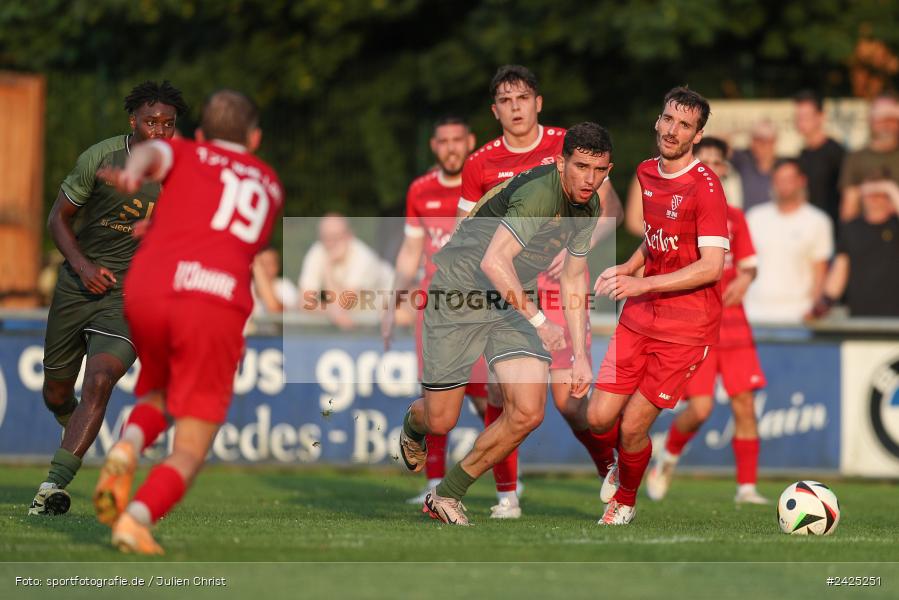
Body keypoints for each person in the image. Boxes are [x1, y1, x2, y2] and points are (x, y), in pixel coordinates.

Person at [92, 89, 283, 554]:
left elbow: (154, 154)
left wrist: (134, 171)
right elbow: (226, 234)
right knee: (191, 448)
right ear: (255, 138)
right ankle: (136, 519)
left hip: (151, 288)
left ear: (200, 134)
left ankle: (127, 444)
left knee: (159, 391)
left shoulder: (185, 152)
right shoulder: (270, 184)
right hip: (214, 302)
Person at [399, 122, 611, 526]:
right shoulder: (539, 193)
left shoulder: (590, 206)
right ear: (560, 163)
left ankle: (446, 495)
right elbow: (493, 261)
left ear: (609, 170)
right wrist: (540, 321)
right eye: (581, 167)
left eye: (599, 170)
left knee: (528, 412)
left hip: (510, 296)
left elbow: (572, 277)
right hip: (459, 290)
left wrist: (581, 357)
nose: (590, 179)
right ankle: (414, 424)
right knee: (441, 420)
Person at [456, 65, 623, 518]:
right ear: (495, 110)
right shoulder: (480, 163)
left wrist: (575, 245)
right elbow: (465, 232)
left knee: (570, 401)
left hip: (560, 288)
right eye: (506, 101)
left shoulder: (568, 146)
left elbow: (611, 208)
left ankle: (612, 469)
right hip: (507, 293)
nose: (516, 108)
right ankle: (506, 496)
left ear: (538, 103)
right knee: (500, 392)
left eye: (523, 98)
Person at [29, 81, 188, 516]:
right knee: (56, 393)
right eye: (151, 122)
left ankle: (52, 486)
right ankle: (74, 424)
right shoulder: (100, 158)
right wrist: (83, 267)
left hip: (132, 298)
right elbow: (57, 219)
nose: (160, 131)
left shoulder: (183, 172)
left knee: (99, 381)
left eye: (168, 124)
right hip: (76, 286)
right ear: (132, 121)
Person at [584, 87, 729, 526]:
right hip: (639, 318)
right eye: (668, 119)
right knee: (597, 418)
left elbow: (712, 267)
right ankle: (622, 464)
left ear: (697, 135)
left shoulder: (706, 187)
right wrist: (630, 265)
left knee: (632, 427)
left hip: (685, 329)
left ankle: (625, 501)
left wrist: (642, 284)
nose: (672, 130)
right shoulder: (647, 172)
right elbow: (658, 240)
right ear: (657, 120)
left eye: (684, 125)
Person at [644, 137, 769, 506]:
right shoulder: (680, 213)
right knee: (700, 409)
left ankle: (746, 489)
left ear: (725, 169)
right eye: (706, 161)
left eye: (718, 161)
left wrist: (746, 279)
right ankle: (669, 456)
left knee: (744, 404)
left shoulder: (736, 217)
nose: (712, 167)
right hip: (698, 322)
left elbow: (749, 265)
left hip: (733, 322)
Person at [380, 115, 486, 506]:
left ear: (470, 141)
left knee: (492, 398)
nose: (451, 147)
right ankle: (435, 484)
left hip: (480, 306)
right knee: (435, 397)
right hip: (436, 309)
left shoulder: (485, 185)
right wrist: (392, 302)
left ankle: (509, 488)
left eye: (458, 140)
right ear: (434, 146)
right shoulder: (421, 189)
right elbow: (411, 250)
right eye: (443, 141)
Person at [744, 159, 833, 324]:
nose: (784, 185)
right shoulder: (754, 217)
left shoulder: (818, 221)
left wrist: (813, 311)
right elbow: (743, 266)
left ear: (801, 181)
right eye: (779, 180)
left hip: (797, 316)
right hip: (754, 314)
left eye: (789, 179)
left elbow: (820, 272)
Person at [811, 178, 899, 318]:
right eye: (870, 194)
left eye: (880, 194)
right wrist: (822, 306)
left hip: (894, 317)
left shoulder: (895, 225)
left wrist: (890, 188)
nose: (874, 200)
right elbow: (840, 271)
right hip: (861, 315)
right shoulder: (852, 228)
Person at [298, 213, 394, 329]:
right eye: (326, 237)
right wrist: (330, 311)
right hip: (364, 320)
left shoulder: (363, 257)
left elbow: (342, 304)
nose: (331, 243)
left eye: (336, 237)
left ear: (349, 235)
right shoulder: (317, 251)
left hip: (391, 308)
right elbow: (304, 302)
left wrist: (327, 268)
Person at [839, 94, 899, 222]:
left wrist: (890, 190)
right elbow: (848, 211)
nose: (886, 125)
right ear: (871, 121)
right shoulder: (856, 158)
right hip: (867, 231)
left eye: (891, 119)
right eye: (881, 119)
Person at [794, 91, 845, 232]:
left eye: (805, 117)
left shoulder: (836, 153)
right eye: (798, 117)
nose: (800, 122)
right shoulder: (802, 155)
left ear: (820, 117)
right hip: (807, 229)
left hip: (832, 229)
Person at [731, 119, 778, 211]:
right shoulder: (744, 162)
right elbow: (719, 146)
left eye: (766, 140)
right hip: (748, 218)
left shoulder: (783, 168)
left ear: (774, 141)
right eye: (756, 140)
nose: (760, 145)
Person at [252, 248, 298, 314]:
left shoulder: (285, 287)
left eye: (269, 264)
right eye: (262, 263)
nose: (265, 268)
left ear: (277, 266)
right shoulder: (245, 288)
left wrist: (261, 279)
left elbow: (277, 312)